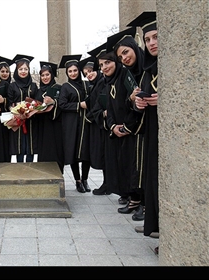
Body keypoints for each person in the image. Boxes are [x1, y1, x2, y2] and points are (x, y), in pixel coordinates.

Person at [100, 28, 144, 214]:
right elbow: (110, 107)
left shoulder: (129, 76)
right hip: (120, 130)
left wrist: (126, 126)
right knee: (125, 164)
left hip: (135, 129)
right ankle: (132, 198)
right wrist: (112, 125)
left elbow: (131, 104)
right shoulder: (112, 82)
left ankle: (137, 200)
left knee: (135, 166)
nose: (105, 67)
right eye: (101, 65)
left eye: (109, 62)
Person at [127, 11, 160, 251]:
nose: (152, 43)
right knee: (154, 181)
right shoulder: (148, 71)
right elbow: (141, 97)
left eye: (156, 37)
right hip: (152, 134)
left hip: (172, 137)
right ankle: (158, 228)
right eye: (147, 39)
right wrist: (138, 103)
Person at [58, 54, 91, 193]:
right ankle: (77, 180)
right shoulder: (65, 86)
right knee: (74, 152)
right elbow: (62, 104)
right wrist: (79, 105)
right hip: (72, 124)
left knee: (85, 152)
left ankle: (85, 179)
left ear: (79, 71)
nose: (72, 73)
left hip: (86, 122)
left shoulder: (86, 84)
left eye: (75, 70)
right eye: (70, 71)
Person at [79, 54, 108, 195]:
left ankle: (107, 184)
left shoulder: (102, 82)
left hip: (100, 123)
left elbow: (98, 103)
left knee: (104, 153)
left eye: (90, 71)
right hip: (96, 121)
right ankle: (106, 183)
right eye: (86, 73)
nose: (89, 75)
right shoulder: (94, 84)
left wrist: (90, 116)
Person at [7, 54, 39, 163]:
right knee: (19, 147)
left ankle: (30, 168)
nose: (23, 71)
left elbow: (36, 101)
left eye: (26, 69)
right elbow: (9, 102)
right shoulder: (12, 86)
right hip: (17, 120)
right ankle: (20, 169)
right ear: (16, 70)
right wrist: (15, 110)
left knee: (30, 147)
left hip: (31, 121)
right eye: (20, 69)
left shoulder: (33, 86)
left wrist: (31, 109)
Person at [34, 61, 64, 173]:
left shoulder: (58, 88)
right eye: (42, 75)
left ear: (52, 75)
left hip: (55, 127)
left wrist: (53, 103)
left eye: (47, 74)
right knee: (43, 154)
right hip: (42, 127)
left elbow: (62, 105)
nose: (45, 77)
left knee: (56, 153)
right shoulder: (38, 91)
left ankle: (58, 178)